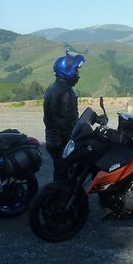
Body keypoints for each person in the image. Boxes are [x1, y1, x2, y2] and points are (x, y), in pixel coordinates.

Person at [43, 53, 85, 181]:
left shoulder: (54, 87)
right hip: (61, 140)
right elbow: (67, 120)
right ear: (67, 71)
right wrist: (75, 137)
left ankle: (59, 190)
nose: (78, 74)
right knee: (65, 173)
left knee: (60, 171)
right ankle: (59, 192)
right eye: (76, 70)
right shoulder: (65, 92)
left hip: (53, 138)